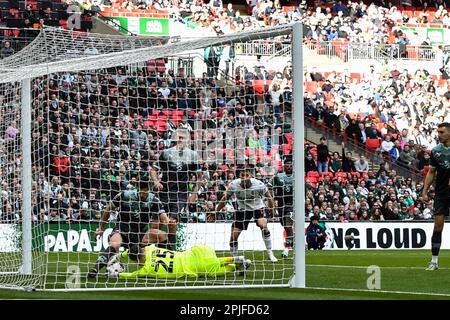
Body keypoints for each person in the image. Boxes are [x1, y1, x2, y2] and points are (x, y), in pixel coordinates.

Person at [87, 173, 169, 278]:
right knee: (115, 243)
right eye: (141, 192)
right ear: (137, 188)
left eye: (145, 192)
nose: (143, 195)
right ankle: (95, 269)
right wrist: (100, 228)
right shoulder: (125, 195)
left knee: (162, 235)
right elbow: (108, 209)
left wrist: (166, 223)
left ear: (149, 189)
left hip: (140, 233)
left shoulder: (154, 200)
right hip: (123, 229)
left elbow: (164, 218)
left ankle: (168, 263)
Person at [151, 128, 202, 250]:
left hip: (181, 194)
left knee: (172, 222)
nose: (180, 139)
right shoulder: (166, 153)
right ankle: (154, 250)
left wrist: (194, 194)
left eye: (183, 137)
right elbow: (153, 170)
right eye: (178, 137)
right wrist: (156, 181)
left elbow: (200, 178)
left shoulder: (192, 155)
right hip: (163, 193)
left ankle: (171, 252)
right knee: (156, 224)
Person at [216, 165, 278, 262]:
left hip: (257, 208)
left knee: (263, 226)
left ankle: (270, 253)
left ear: (250, 176)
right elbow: (225, 199)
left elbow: (269, 197)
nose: (244, 177)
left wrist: (272, 210)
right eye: (242, 175)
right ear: (239, 176)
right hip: (242, 209)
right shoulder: (233, 185)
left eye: (247, 175)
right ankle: (234, 257)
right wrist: (216, 211)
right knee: (233, 236)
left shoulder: (259, 184)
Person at [117, 244, 252, 279]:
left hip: (192, 268)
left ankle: (235, 266)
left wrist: (117, 274)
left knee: (213, 271)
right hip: (197, 251)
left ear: (136, 261)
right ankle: (237, 259)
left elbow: (132, 275)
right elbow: (136, 250)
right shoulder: (150, 248)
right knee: (214, 261)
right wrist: (120, 255)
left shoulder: (146, 270)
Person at [423, 122, 450, 271]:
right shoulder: (436, 151)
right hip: (441, 193)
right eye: (438, 132)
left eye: (441, 132)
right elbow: (431, 172)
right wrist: (425, 191)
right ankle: (434, 261)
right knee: (438, 226)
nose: (438, 135)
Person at [271, 155, 294, 258]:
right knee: (284, 225)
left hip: (292, 205)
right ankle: (291, 242)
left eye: (291, 165)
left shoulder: (297, 177)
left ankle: (287, 249)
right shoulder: (277, 176)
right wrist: (272, 199)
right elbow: (270, 187)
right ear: (284, 166)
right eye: (287, 165)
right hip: (281, 205)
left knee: (288, 226)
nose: (289, 167)